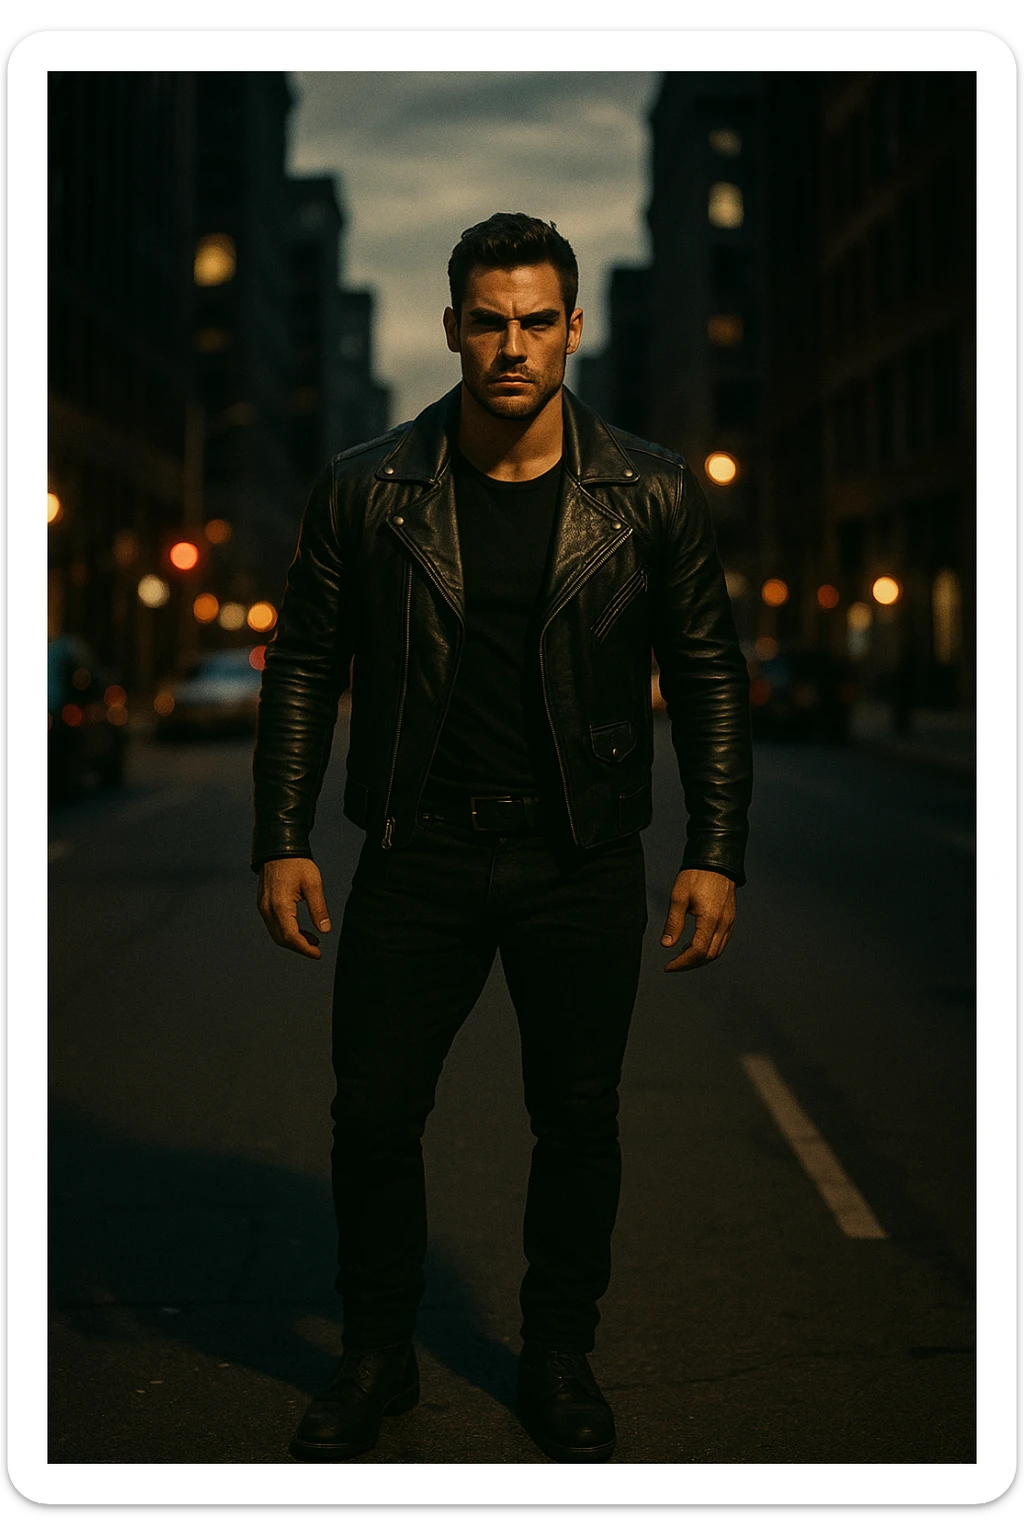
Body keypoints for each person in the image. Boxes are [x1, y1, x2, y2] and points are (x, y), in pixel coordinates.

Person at [252, 213, 753, 1464]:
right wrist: (283, 834)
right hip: (415, 852)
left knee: (577, 1120)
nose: (512, 347)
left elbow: (707, 675)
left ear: (572, 329)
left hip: (579, 857)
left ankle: (558, 1354)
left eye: (537, 321)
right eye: (489, 321)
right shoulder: (369, 488)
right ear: (453, 330)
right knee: (371, 1117)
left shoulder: (651, 493)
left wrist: (714, 847)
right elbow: (306, 663)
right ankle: (377, 1357)